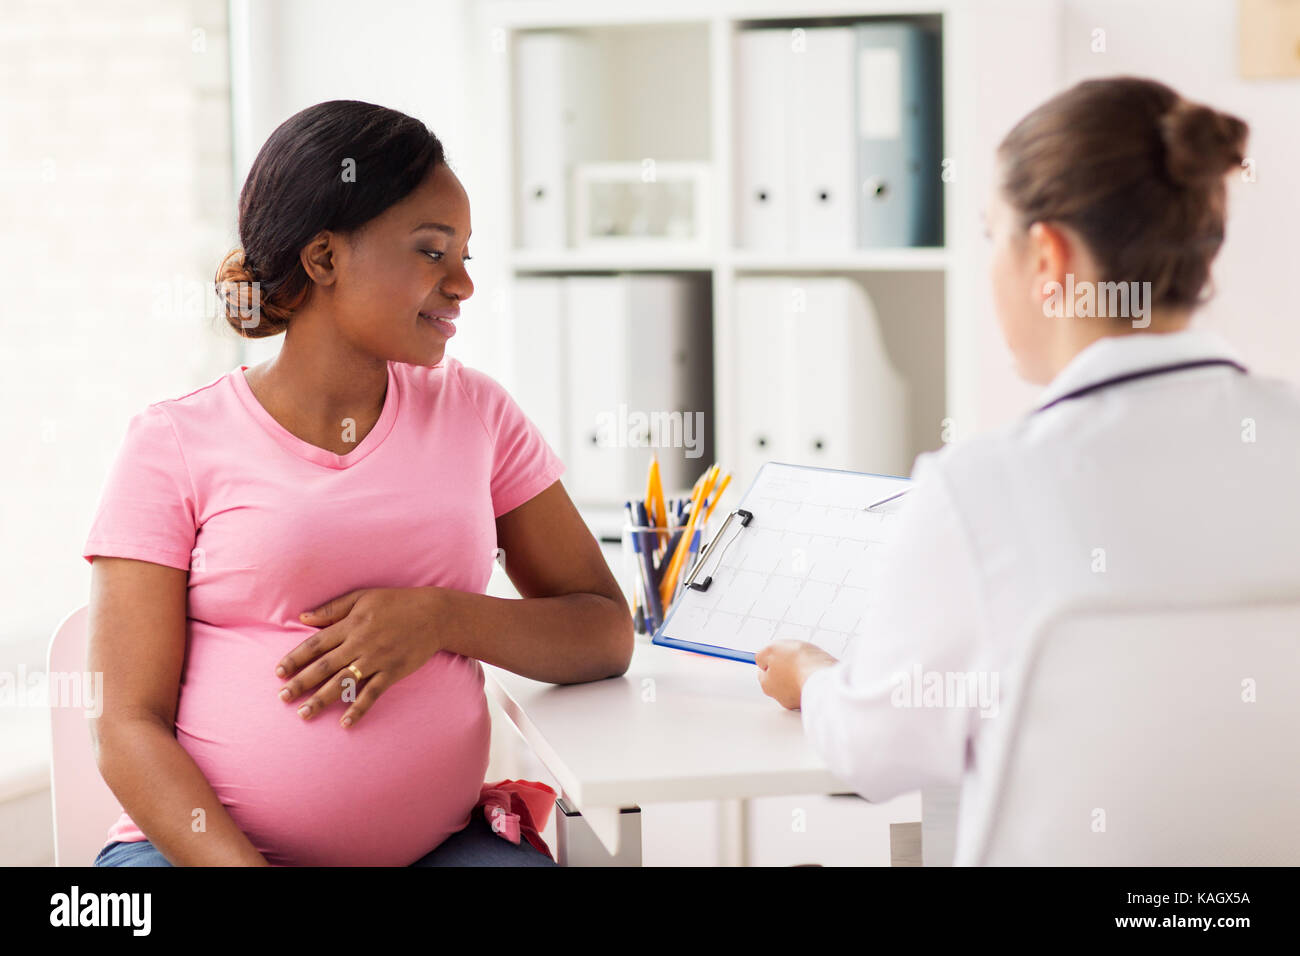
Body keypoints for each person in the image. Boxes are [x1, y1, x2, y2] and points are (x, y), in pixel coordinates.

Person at [84, 100, 633, 866]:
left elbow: (603, 633)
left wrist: (442, 619)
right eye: (432, 252)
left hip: (438, 852)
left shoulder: (476, 413)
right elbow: (125, 724)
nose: (463, 285)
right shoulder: (173, 442)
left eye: (466, 255)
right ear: (324, 259)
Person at [755, 76, 1300, 846]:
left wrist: (813, 677)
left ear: (1047, 256)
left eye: (990, 235)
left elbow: (874, 753)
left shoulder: (977, 489)